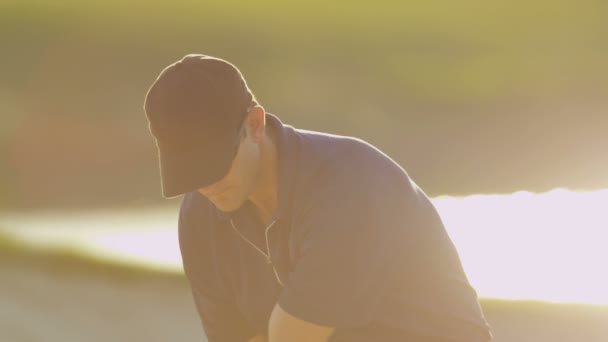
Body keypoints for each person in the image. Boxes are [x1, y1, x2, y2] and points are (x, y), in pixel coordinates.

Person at [143, 54, 493, 342]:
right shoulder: (199, 214)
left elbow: (292, 336)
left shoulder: (351, 184)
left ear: (255, 125)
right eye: (191, 172)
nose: (207, 185)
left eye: (215, 164)